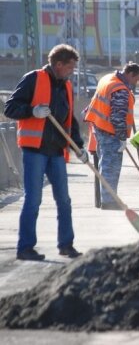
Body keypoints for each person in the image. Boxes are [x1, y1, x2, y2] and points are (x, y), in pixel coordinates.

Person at [4, 44, 88, 261]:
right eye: (70, 67)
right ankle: (25, 248)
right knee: (33, 199)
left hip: (57, 151)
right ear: (58, 64)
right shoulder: (33, 78)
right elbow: (10, 108)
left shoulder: (66, 86)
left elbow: (70, 122)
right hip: (35, 150)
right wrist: (33, 111)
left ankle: (66, 244)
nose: (72, 71)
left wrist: (78, 147)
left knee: (64, 200)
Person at [84, 62, 139, 210]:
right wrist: (122, 137)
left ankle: (107, 198)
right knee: (110, 167)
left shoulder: (108, 79)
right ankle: (109, 201)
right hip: (111, 132)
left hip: (99, 128)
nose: (136, 83)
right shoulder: (120, 90)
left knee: (105, 165)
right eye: (136, 79)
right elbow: (118, 117)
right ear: (130, 74)